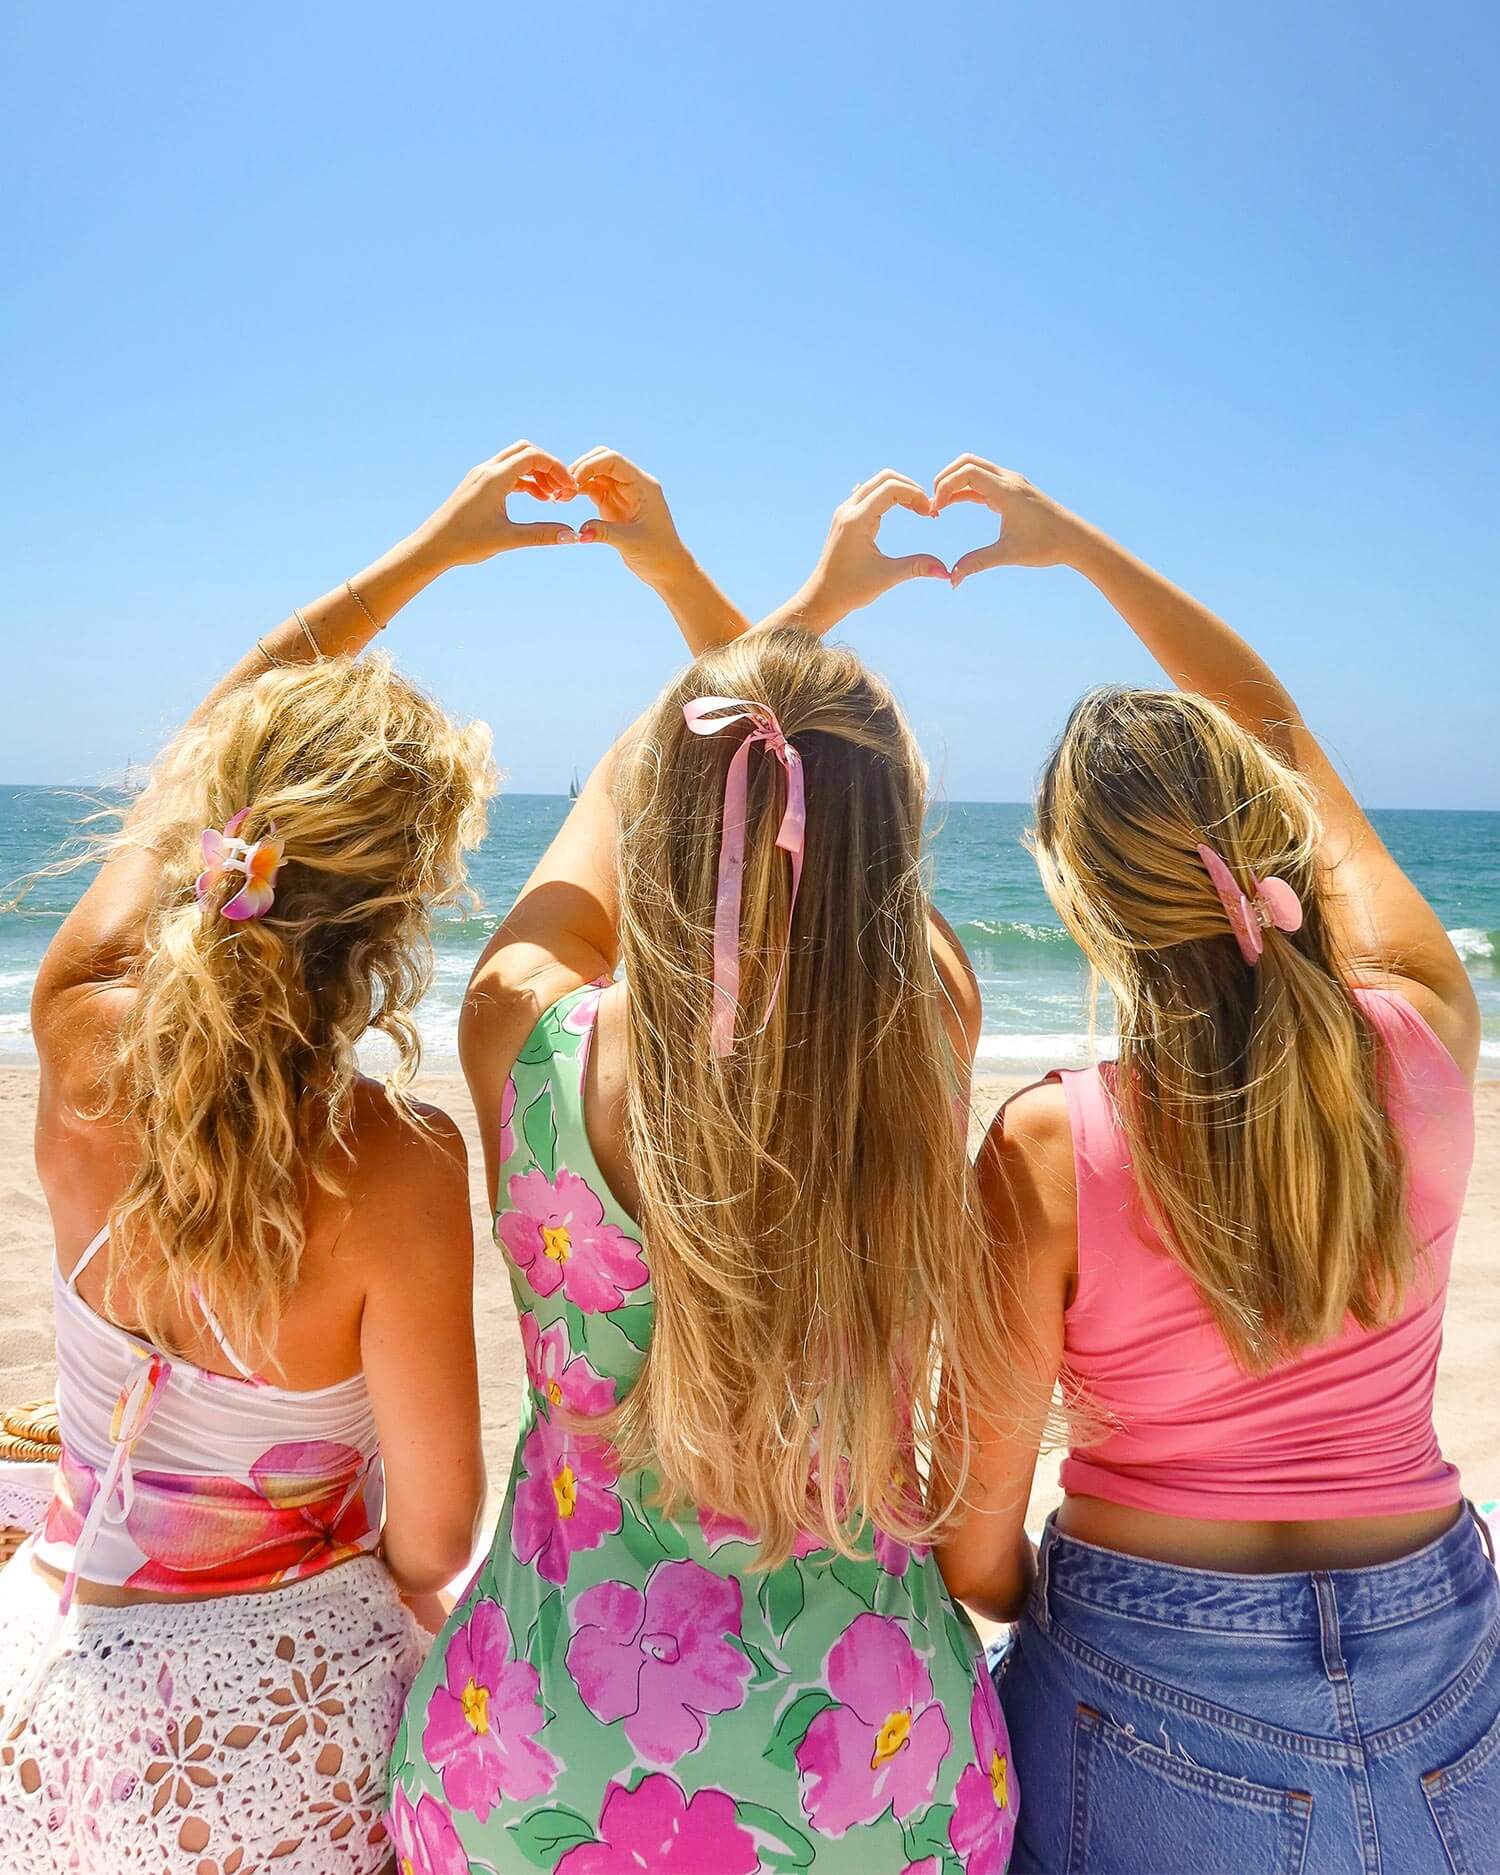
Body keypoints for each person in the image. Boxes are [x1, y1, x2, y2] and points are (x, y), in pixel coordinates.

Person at [388, 456, 1019, 1875]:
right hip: (881, 1779)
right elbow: (799, 821)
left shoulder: (518, 1036)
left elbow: (658, 771)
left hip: (534, 1760)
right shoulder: (936, 1032)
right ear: (891, 854)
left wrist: (727, 588)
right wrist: (762, 616)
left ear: (670, 827)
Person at [0, 442, 580, 1874]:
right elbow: (437, 1540)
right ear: (402, 912)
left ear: (219, 830)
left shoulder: (76, 1022)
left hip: (59, 1671)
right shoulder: (393, 1165)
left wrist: (434, 548)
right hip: (280, 1724)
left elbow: (231, 715)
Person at [931, 458, 1492, 1874]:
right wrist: (1079, 551)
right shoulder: (1425, 1038)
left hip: (1145, 1667)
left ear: (1071, 892)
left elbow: (975, 1546)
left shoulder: (1050, 1144)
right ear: (1270, 837)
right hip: (1443, 1648)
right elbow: (1277, 726)